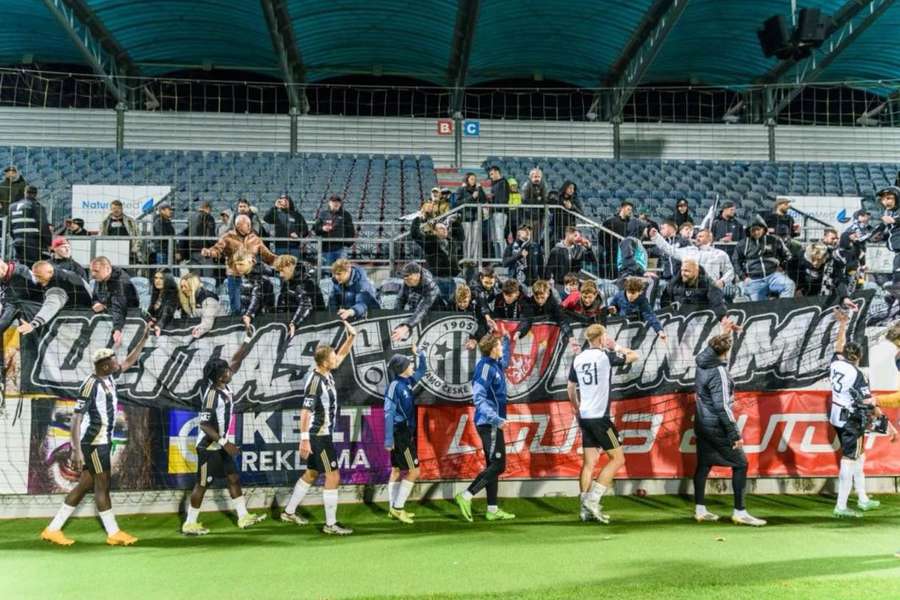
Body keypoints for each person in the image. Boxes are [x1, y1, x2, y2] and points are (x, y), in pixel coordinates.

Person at [40, 327, 151, 546]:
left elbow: (128, 361)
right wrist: (77, 450)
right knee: (102, 485)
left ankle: (52, 529)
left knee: (83, 486)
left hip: (102, 442)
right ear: (104, 365)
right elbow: (76, 418)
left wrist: (144, 338)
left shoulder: (109, 378)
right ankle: (113, 533)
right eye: (113, 361)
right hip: (94, 442)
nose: (117, 363)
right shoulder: (90, 385)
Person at [181, 340, 268, 536]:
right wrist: (224, 442)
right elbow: (204, 424)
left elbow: (236, 361)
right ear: (221, 376)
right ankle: (189, 523)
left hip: (220, 445)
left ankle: (243, 517)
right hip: (208, 447)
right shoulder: (212, 395)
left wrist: (247, 340)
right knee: (202, 483)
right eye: (227, 371)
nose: (230, 371)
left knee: (234, 478)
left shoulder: (223, 386)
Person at [281, 320, 358, 535]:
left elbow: (342, 354)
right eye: (332, 357)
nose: (336, 359)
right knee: (333, 476)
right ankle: (330, 524)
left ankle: (288, 512)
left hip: (321, 434)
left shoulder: (326, 373)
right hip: (319, 435)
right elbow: (305, 412)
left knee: (312, 473)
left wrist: (351, 337)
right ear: (324, 362)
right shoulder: (315, 382)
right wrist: (304, 439)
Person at [693, 319, 766, 526]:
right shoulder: (719, 372)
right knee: (741, 463)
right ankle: (740, 512)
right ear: (724, 352)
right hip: (716, 424)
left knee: (704, 464)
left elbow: (720, 350)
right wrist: (735, 434)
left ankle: (700, 509)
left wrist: (725, 333)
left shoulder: (702, 361)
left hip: (701, 421)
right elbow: (722, 406)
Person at [568, 324, 639, 523]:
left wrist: (576, 407)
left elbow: (570, 386)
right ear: (600, 338)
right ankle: (593, 499)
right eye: (605, 336)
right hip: (600, 417)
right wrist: (616, 346)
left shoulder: (579, 358)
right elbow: (634, 356)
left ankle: (584, 508)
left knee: (589, 463)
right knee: (618, 459)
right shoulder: (605, 356)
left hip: (585, 416)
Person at [829, 309, 888, 518]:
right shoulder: (857, 374)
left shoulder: (836, 363)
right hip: (851, 421)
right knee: (849, 459)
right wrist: (883, 418)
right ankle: (841, 506)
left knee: (858, 456)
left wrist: (842, 325)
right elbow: (867, 401)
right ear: (859, 357)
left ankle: (862, 497)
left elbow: (837, 346)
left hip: (837, 415)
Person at [454, 331, 516, 522]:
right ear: (491, 349)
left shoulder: (495, 364)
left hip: (494, 424)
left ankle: (492, 509)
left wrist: (507, 339)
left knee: (492, 466)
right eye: (498, 345)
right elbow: (478, 399)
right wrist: (496, 419)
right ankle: (466, 496)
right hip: (489, 423)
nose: (500, 349)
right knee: (499, 465)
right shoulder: (484, 368)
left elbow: (505, 359)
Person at [383, 342, 427, 524]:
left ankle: (392, 508)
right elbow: (388, 412)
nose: (412, 367)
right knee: (414, 471)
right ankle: (398, 508)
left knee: (395, 470)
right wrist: (388, 438)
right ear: (402, 369)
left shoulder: (406, 381)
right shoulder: (395, 386)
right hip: (400, 433)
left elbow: (422, 371)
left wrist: (420, 354)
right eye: (409, 364)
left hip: (404, 432)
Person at [202, 214, 277, 316]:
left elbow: (268, 256)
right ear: (238, 225)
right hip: (234, 275)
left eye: (250, 224)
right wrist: (209, 252)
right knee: (236, 306)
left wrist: (281, 261)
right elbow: (217, 249)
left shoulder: (255, 239)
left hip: (252, 276)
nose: (250, 227)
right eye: (247, 225)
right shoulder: (227, 237)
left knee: (253, 306)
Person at [18, 261, 93, 335]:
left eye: (39, 276)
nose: (37, 279)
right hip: (86, 312)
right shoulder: (62, 272)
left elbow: (51, 305)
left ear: (50, 272)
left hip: (77, 317)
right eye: (35, 276)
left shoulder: (58, 286)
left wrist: (33, 324)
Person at [732, 216, 795, 301]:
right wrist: (743, 277)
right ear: (749, 231)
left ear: (764, 229)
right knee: (758, 307)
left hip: (773, 276)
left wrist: (783, 267)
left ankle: (782, 310)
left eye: (758, 229)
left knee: (789, 284)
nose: (756, 232)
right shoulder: (742, 244)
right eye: (753, 230)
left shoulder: (774, 240)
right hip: (754, 280)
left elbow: (788, 256)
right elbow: (735, 261)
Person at [649, 227, 734, 289]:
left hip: (711, 288)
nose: (697, 238)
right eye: (697, 236)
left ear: (709, 239)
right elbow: (669, 250)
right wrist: (656, 237)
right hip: (690, 288)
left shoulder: (719, 254)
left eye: (701, 236)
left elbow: (730, 271)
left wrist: (722, 282)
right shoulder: (687, 251)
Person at [89, 256, 140, 348]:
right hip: (110, 315)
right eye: (91, 271)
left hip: (129, 318)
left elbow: (119, 307)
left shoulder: (120, 281)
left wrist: (117, 329)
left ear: (108, 269)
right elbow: (95, 297)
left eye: (96, 271)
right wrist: (96, 303)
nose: (92, 274)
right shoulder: (100, 277)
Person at [274, 254, 325, 337]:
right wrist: (279, 323)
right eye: (279, 272)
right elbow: (281, 305)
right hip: (292, 323)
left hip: (311, 325)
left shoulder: (308, 282)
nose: (281, 275)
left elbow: (306, 305)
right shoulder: (287, 282)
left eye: (282, 271)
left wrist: (294, 323)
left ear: (290, 266)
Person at [662, 259, 728, 321]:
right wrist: (670, 316)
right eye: (682, 270)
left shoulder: (707, 283)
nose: (683, 273)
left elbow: (717, 302)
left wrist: (723, 318)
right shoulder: (675, 283)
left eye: (687, 271)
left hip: (701, 321)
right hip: (679, 321)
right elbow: (665, 300)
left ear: (695, 271)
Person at [519, 279, 575, 351]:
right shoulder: (530, 303)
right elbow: (527, 319)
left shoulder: (553, 303)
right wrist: (520, 331)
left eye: (542, 297)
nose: (540, 300)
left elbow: (562, 320)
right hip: (533, 335)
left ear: (548, 294)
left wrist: (570, 336)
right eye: (537, 298)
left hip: (547, 335)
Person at [391, 262, 441, 342]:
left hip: (436, 315)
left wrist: (406, 326)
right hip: (416, 315)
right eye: (404, 277)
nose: (405, 279)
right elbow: (400, 299)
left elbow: (423, 309)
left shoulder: (431, 287)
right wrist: (395, 319)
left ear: (417, 275)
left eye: (408, 277)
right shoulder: (407, 280)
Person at [418, 220, 464, 299]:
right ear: (434, 232)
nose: (445, 229)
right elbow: (417, 235)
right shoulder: (430, 242)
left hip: (452, 276)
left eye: (445, 227)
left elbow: (461, 237)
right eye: (441, 228)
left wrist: (456, 222)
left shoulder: (451, 242)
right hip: (437, 277)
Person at [9, 185, 51, 264]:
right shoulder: (36, 206)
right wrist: (49, 243)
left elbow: (10, 227)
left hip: (17, 242)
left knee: (20, 266)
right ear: (35, 194)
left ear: (25, 193)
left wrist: (16, 238)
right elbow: (44, 226)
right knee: (33, 268)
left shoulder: (12, 207)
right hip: (33, 244)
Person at [232, 251, 274, 329]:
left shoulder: (260, 277)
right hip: (249, 316)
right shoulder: (246, 274)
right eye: (236, 264)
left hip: (262, 319)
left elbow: (257, 297)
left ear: (250, 262)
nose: (238, 267)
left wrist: (248, 314)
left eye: (241, 264)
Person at [601, 201, 642, 278]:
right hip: (613, 254)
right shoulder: (610, 222)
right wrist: (609, 248)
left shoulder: (631, 223)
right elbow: (602, 238)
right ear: (622, 208)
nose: (630, 212)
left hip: (628, 255)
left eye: (631, 210)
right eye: (628, 209)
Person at [313, 194, 356, 266]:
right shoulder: (323, 214)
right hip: (325, 248)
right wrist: (322, 228)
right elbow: (315, 228)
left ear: (340, 204)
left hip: (340, 248)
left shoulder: (346, 214)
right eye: (333, 201)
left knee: (341, 271)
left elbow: (351, 231)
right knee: (326, 271)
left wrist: (347, 244)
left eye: (338, 201)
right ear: (329, 203)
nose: (335, 203)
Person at [264, 193, 308, 257]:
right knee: (281, 266)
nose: (284, 202)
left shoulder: (297, 215)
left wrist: (298, 235)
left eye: (286, 200)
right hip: (280, 246)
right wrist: (275, 207)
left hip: (294, 247)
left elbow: (305, 230)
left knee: (294, 266)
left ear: (290, 202)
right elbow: (266, 219)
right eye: (281, 200)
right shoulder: (276, 214)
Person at [180, 200, 218, 275]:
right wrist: (215, 247)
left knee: (195, 276)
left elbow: (186, 232)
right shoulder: (208, 217)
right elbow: (210, 235)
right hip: (205, 250)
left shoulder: (191, 217)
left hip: (192, 249)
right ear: (207, 208)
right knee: (207, 275)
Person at [100, 200, 143, 265]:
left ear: (122, 209)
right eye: (114, 208)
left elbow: (138, 236)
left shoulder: (130, 221)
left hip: (128, 253)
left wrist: (135, 248)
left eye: (118, 208)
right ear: (111, 209)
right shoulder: (105, 222)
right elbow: (101, 236)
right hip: (111, 252)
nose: (116, 210)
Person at [177, 273, 220, 338]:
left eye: (185, 286)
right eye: (182, 287)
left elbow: (207, 322)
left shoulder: (208, 299)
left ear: (193, 286)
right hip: (200, 334)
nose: (183, 289)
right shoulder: (187, 298)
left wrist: (196, 332)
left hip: (216, 333)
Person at [457, 172, 487, 259]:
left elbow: (484, 200)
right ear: (467, 180)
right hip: (466, 217)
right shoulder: (461, 189)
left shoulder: (478, 189)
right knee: (467, 239)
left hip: (477, 216)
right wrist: (472, 197)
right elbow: (458, 203)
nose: (474, 181)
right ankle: (467, 258)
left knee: (476, 239)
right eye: (471, 179)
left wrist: (480, 188)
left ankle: (475, 259)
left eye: (475, 179)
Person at [451, 283, 490, 349]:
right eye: (459, 302)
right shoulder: (451, 302)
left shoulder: (478, 301)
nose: (462, 304)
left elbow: (482, 323)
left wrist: (474, 340)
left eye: (465, 301)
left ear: (469, 298)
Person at [486, 166, 510, 258]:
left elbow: (502, 199)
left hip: (500, 212)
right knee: (495, 238)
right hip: (495, 212)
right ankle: (498, 258)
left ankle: (504, 258)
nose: (491, 176)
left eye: (492, 174)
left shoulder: (503, 183)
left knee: (500, 237)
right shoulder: (495, 184)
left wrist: (493, 199)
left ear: (497, 172)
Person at [146, 270, 178, 336]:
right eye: (156, 278)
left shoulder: (173, 293)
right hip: (156, 327)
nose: (157, 281)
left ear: (168, 280)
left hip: (167, 329)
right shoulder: (157, 293)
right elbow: (151, 312)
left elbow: (167, 311)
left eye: (161, 278)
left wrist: (159, 324)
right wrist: (149, 320)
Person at [151, 201, 177, 266]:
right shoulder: (159, 221)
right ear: (162, 210)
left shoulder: (167, 221)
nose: (171, 211)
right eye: (169, 209)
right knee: (163, 272)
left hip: (168, 251)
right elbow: (162, 236)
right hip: (162, 251)